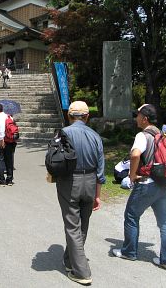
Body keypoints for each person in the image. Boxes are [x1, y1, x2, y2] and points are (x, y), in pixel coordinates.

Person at [113, 104, 166, 271]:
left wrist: (131, 176)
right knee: (165, 222)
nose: (136, 118)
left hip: (147, 184)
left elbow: (135, 154)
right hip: (163, 183)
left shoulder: (143, 135)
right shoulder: (162, 135)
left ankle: (129, 252)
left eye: (138, 115)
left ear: (145, 118)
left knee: (131, 215)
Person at [55, 101, 104, 285]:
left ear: (69, 116)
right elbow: (100, 169)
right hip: (90, 181)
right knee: (83, 224)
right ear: (87, 116)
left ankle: (82, 271)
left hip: (70, 182)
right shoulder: (95, 136)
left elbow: (55, 159)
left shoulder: (63, 133)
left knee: (72, 225)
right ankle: (70, 260)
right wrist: (98, 195)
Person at [0, 103, 16, 186]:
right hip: (10, 140)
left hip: (0, 141)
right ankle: (9, 179)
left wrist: (1, 139)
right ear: (2, 108)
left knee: (0, 159)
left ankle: (1, 179)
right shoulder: (9, 116)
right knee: (9, 159)